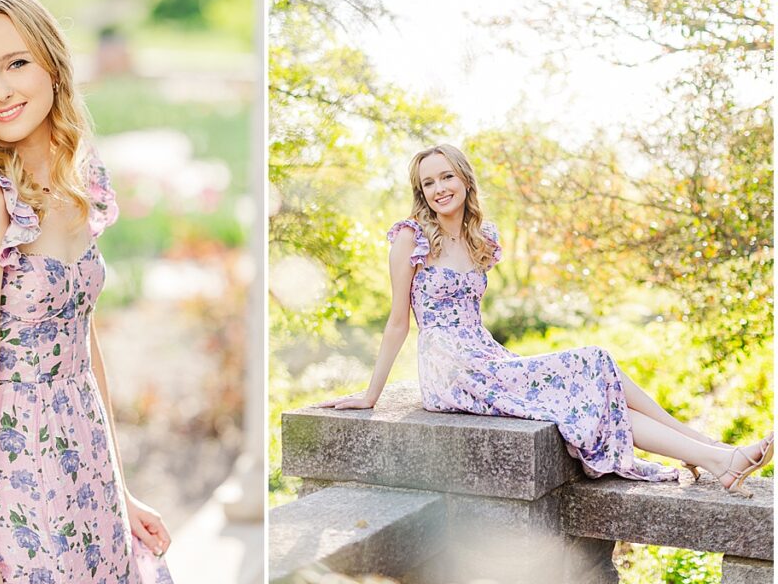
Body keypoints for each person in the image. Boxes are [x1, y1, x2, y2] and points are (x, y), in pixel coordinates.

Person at [0, 0, 195, 584]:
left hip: (79, 465)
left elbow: (82, 344)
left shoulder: (80, 184)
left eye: (15, 64)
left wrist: (120, 491)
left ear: (52, 65)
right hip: (8, 482)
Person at [317, 144, 773, 495]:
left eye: (446, 177)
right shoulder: (411, 238)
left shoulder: (482, 238)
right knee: (590, 369)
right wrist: (371, 394)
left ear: (464, 179)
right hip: (451, 370)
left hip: (486, 355)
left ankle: (710, 452)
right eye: (428, 183)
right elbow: (399, 321)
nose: (438, 189)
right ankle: (714, 455)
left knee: (597, 373)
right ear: (421, 192)